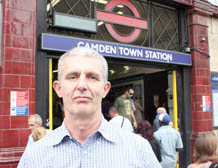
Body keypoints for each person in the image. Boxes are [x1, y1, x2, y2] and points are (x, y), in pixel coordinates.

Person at [18, 47, 161, 168]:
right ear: (58, 88)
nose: (81, 85)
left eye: (92, 77)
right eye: (72, 77)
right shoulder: (33, 157)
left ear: (105, 89)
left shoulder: (139, 150)